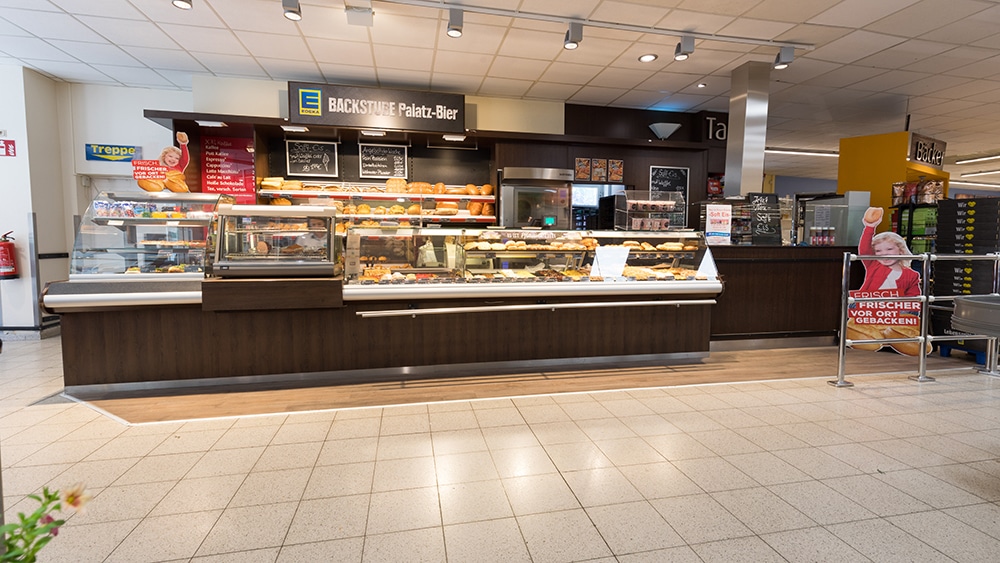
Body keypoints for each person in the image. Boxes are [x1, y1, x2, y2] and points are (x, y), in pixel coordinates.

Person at [858, 207, 920, 296]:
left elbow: (913, 298)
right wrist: (870, 227)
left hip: (895, 305)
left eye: (889, 249)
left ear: (901, 250)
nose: (884, 253)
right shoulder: (874, 265)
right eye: (878, 251)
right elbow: (864, 250)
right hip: (868, 303)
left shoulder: (912, 275)